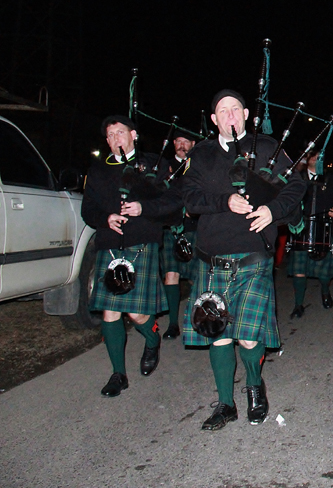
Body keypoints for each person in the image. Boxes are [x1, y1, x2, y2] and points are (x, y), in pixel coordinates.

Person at [181, 90, 306, 430]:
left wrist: (272, 210)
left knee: (249, 337)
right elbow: (190, 197)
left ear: (247, 114)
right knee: (218, 334)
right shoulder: (202, 154)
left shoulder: (267, 147)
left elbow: (297, 185)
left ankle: (254, 385)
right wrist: (225, 201)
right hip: (212, 257)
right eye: (223, 111)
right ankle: (225, 404)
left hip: (253, 255)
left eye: (235, 109)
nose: (230, 115)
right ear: (214, 119)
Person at [81, 115, 170, 397]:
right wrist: (105, 218)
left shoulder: (154, 165)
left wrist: (144, 207)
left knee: (137, 313)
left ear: (133, 135)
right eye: (110, 135)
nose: (115, 138)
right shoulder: (98, 170)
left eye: (120, 132)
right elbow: (88, 210)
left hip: (141, 242)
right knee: (111, 310)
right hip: (110, 244)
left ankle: (152, 338)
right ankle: (118, 374)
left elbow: (171, 204)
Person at [287, 149, 333, 315]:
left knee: (324, 271)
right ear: (308, 159)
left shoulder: (330, 180)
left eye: (322, 158)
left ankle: (325, 291)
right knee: (299, 271)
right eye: (316, 157)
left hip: (323, 228)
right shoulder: (297, 178)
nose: (319, 160)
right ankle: (298, 305)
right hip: (301, 227)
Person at [158, 131, 197, 339]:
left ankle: (198, 318)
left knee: (196, 276)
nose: (182, 145)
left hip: (194, 227)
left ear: (193, 143)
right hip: (171, 226)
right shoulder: (165, 166)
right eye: (178, 142)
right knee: (171, 274)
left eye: (186, 142)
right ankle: (173, 323)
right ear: (173, 143)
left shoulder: (198, 164)